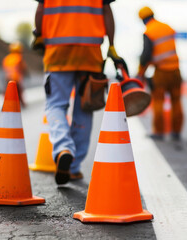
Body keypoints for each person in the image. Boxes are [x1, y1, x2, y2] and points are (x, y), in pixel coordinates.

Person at [33, 0, 125, 184]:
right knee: (84, 108)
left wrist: (39, 35)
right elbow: (107, 10)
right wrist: (112, 45)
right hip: (90, 53)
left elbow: (41, 9)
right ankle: (73, 168)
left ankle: (63, 148)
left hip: (58, 53)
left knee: (55, 105)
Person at [137, 6, 184, 141]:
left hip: (161, 72)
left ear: (142, 19)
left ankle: (159, 132)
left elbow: (146, 56)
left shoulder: (149, 32)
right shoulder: (167, 27)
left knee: (158, 101)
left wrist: (140, 73)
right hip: (175, 70)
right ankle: (176, 132)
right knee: (176, 101)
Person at [2, 42, 28, 107]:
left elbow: (5, 68)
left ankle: (7, 103)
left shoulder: (7, 58)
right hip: (16, 78)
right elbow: (22, 68)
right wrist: (26, 74)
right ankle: (22, 104)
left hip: (8, 78)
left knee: (7, 91)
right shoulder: (19, 58)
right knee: (19, 91)